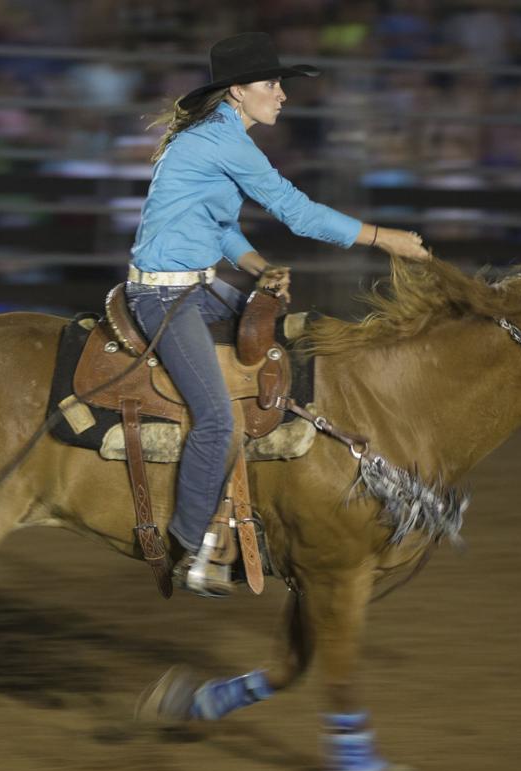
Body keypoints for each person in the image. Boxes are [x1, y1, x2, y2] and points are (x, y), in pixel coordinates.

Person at [127, 32, 429, 597]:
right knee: (216, 416)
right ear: (237, 92)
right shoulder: (224, 142)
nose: (282, 95)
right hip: (165, 296)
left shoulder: (213, 137)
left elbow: (220, 227)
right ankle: (189, 548)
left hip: (198, 284)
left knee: (281, 354)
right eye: (272, 84)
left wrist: (258, 264)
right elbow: (298, 211)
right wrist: (384, 238)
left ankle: (255, 504)